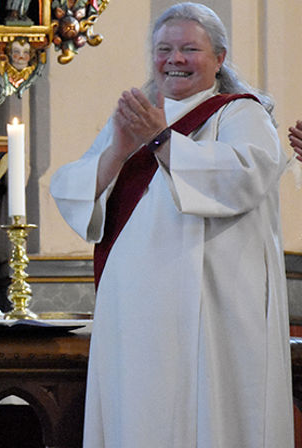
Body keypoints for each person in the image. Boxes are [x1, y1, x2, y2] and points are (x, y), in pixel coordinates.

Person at [50, 3, 292, 447]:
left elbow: (242, 177)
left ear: (219, 58)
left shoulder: (240, 114)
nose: (174, 60)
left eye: (188, 49)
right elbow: (73, 192)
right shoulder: (137, 116)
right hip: (134, 316)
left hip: (213, 314)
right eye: (164, 49)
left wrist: (162, 139)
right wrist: (118, 151)